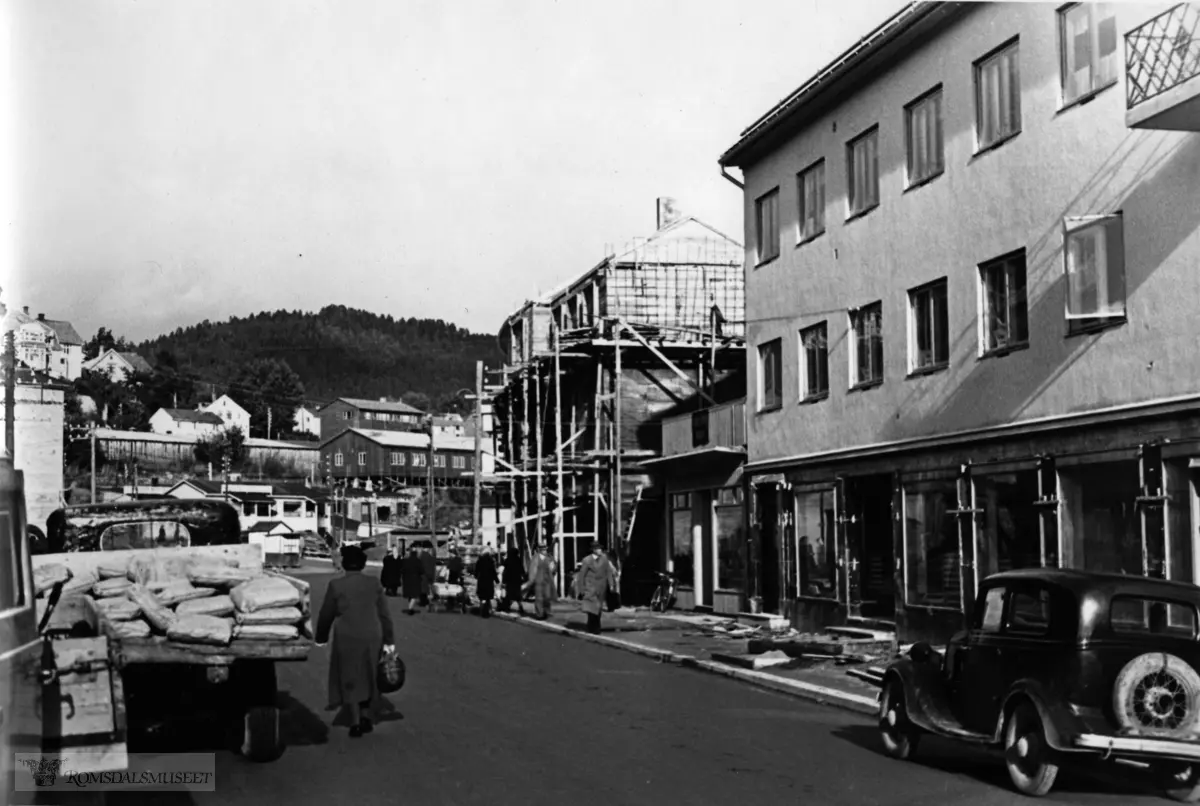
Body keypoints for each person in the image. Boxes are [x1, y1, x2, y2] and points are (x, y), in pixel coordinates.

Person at [314, 545, 395, 738]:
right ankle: (367, 716)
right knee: (369, 674)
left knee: (350, 676)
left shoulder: (336, 585)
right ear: (363, 564)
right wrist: (389, 640)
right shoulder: (374, 583)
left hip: (347, 636)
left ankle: (355, 722)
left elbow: (326, 614)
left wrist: (321, 637)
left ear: (343, 564)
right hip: (372, 635)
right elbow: (385, 614)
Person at [575, 541, 616, 635]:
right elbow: (582, 576)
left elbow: (608, 572)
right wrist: (581, 590)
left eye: (600, 548)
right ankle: (594, 627)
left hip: (601, 587)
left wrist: (611, 584)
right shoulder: (587, 560)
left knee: (599, 607)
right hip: (590, 587)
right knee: (592, 607)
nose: (600, 550)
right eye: (598, 548)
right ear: (593, 550)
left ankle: (593, 625)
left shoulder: (604, 559)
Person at [525, 543, 556, 620]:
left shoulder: (549, 558)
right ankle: (539, 614)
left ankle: (546, 611)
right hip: (539, 581)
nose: (544, 550)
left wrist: (553, 569)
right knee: (539, 598)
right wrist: (531, 580)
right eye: (542, 549)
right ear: (539, 550)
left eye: (545, 548)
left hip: (547, 581)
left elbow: (553, 568)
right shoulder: (535, 558)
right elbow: (532, 570)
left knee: (547, 597)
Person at [474, 545, 499, 618]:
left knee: (482, 596)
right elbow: (493, 571)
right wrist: (496, 580)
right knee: (487, 596)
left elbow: (476, 571)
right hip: (489, 581)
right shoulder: (491, 561)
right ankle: (487, 610)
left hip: (481, 580)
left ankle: (481, 609)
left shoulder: (479, 560)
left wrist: (476, 576)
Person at [501, 546, 527, 615]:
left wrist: (504, 581)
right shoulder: (518, 560)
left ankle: (507, 608)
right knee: (518, 595)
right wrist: (524, 577)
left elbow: (505, 571)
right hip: (517, 580)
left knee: (509, 595)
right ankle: (520, 607)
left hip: (509, 580)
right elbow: (522, 570)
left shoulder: (507, 560)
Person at [401, 546, 424, 615]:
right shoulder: (418, 561)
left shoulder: (406, 560)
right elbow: (422, 571)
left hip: (407, 579)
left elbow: (402, 570)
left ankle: (410, 607)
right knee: (414, 595)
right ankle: (410, 609)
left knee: (410, 595)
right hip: (415, 579)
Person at [419, 547, 437, 613]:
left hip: (423, 575)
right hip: (427, 576)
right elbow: (430, 567)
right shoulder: (428, 556)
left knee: (423, 590)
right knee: (426, 590)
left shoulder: (422, 555)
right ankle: (425, 602)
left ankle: (423, 601)